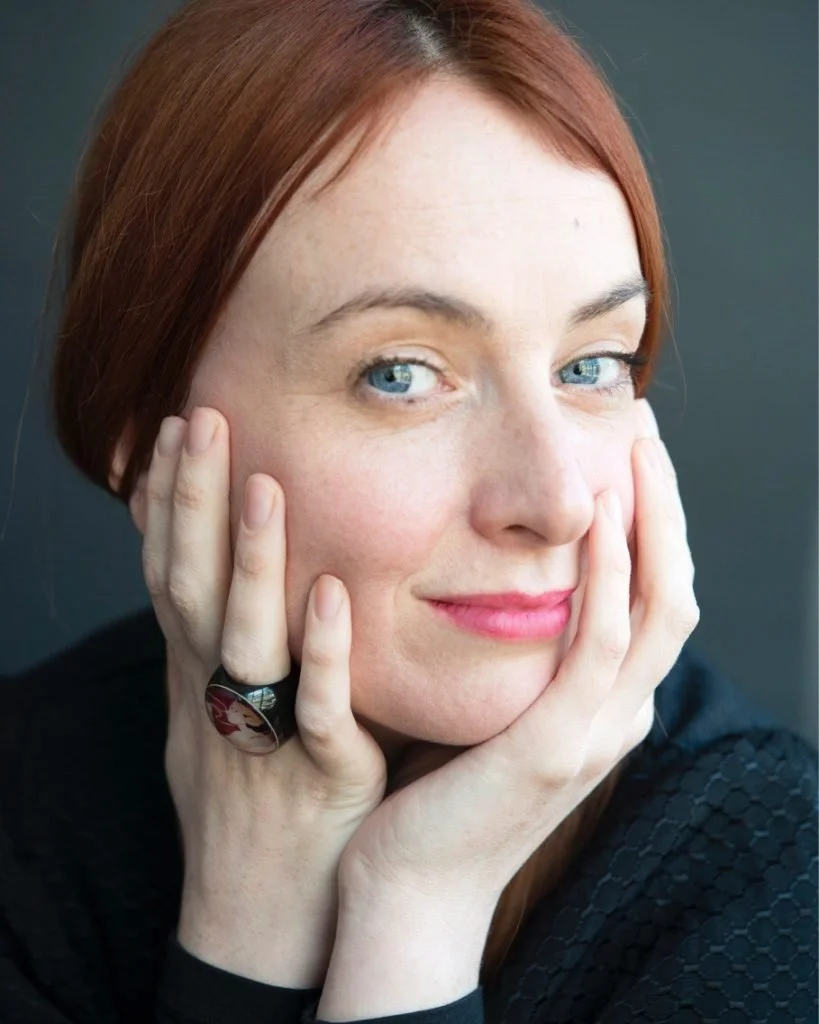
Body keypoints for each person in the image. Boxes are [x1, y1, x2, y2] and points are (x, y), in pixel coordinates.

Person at [2, 0, 816, 1021]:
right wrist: (247, 920)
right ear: (143, 439)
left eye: (592, 365)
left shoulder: (765, 871)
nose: (556, 502)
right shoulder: (28, 818)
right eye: (398, 373)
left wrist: (416, 907)